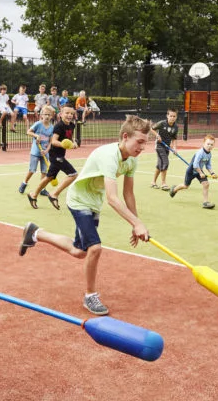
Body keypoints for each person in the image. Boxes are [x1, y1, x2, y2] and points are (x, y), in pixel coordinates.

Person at [19, 115, 152, 316]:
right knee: (95, 248)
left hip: (93, 203)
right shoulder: (109, 156)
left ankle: (35, 233)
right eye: (139, 142)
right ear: (125, 137)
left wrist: (136, 223)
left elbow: (128, 194)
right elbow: (113, 199)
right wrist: (137, 223)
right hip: (79, 201)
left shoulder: (131, 160)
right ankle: (90, 296)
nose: (142, 147)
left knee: (79, 251)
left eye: (145, 143)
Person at [27, 107, 78, 210]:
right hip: (55, 156)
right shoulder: (59, 126)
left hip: (61, 155)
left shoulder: (72, 125)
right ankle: (54, 194)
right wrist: (63, 145)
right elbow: (54, 141)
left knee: (49, 177)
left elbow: (70, 138)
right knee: (73, 174)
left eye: (71, 114)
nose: (69, 115)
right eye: (67, 113)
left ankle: (33, 194)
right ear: (61, 115)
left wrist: (74, 143)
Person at [169, 134, 218, 209]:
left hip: (199, 171)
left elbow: (208, 165)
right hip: (191, 171)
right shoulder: (200, 152)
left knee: (206, 184)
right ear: (203, 143)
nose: (209, 146)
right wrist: (201, 173)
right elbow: (195, 165)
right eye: (208, 144)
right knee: (185, 186)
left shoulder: (209, 154)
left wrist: (212, 173)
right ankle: (174, 189)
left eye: (211, 144)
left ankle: (205, 202)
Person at [19, 106, 54, 197]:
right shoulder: (38, 124)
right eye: (45, 114)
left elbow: (51, 141)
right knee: (32, 170)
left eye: (49, 115)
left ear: (52, 116)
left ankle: (42, 189)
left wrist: (46, 151)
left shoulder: (52, 128)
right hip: (35, 152)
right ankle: (24, 183)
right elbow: (28, 132)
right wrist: (36, 135)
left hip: (45, 153)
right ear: (41, 115)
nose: (47, 116)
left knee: (44, 171)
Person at [150, 108, 179, 190]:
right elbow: (152, 129)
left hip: (167, 147)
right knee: (165, 162)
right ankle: (163, 183)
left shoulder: (175, 127)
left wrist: (175, 148)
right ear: (167, 116)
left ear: (176, 117)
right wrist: (157, 135)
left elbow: (174, 138)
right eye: (171, 116)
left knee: (160, 165)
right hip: (159, 146)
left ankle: (153, 182)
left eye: (174, 116)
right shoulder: (162, 123)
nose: (172, 118)